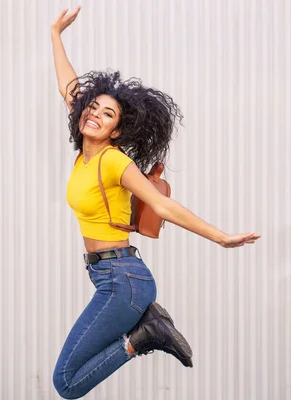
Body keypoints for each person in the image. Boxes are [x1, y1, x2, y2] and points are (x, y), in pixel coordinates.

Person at [50, 6, 261, 399]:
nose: (94, 113)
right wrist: (56, 34)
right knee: (68, 379)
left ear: (118, 129)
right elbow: (69, 88)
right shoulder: (86, 152)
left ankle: (146, 334)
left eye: (107, 112)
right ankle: (148, 329)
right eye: (92, 107)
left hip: (123, 281)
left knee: (66, 383)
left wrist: (221, 237)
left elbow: (162, 208)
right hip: (109, 278)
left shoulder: (114, 161)